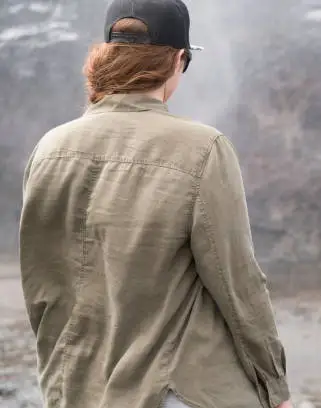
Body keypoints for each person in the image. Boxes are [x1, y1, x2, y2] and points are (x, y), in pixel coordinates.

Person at [18, 1, 292, 407]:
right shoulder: (202, 148)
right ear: (178, 60)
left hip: (82, 390)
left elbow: (42, 287)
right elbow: (237, 282)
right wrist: (274, 385)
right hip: (174, 390)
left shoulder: (51, 148)